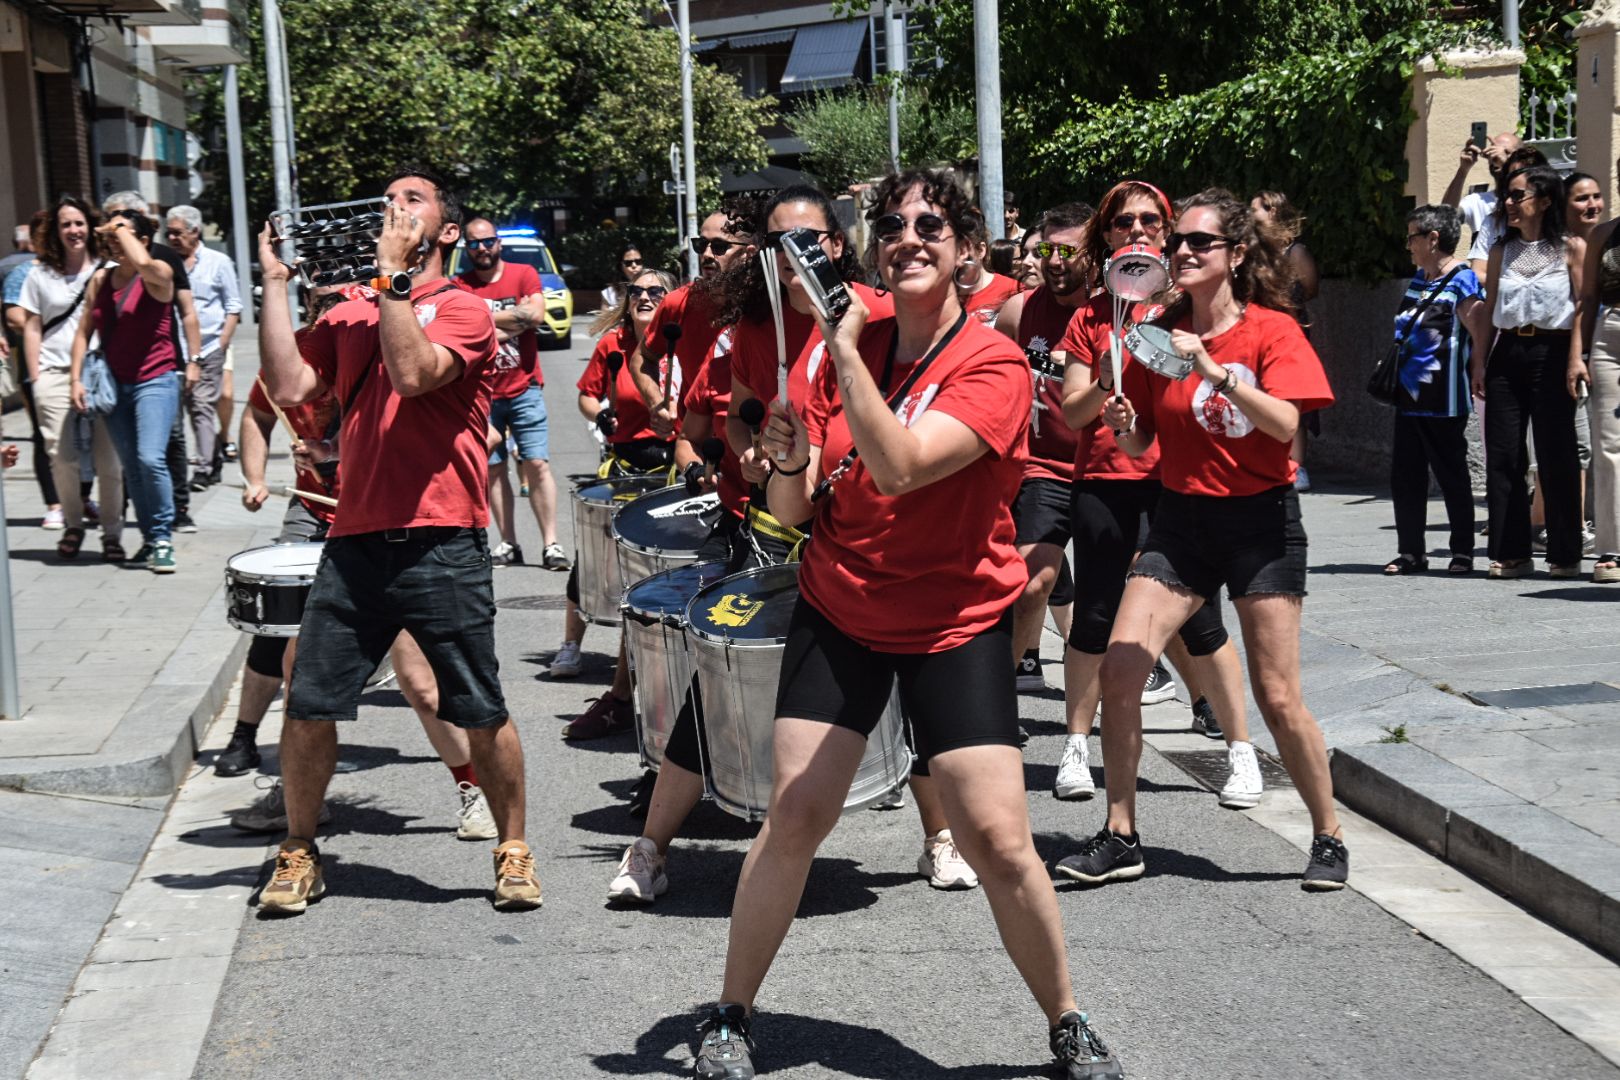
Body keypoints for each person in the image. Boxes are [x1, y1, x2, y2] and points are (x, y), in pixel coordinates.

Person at [691, 168, 1123, 1080]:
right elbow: (796, 511)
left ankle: (1068, 1021)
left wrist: (843, 354)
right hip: (842, 606)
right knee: (796, 813)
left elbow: (900, 468)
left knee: (998, 840)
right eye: (891, 224)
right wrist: (785, 459)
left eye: (932, 224)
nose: (909, 235)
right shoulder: (835, 347)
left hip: (954, 620)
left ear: (967, 252)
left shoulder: (993, 365)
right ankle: (730, 1017)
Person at [254, 162, 540, 915]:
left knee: (478, 705)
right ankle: (299, 850)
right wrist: (277, 284)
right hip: (353, 537)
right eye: (388, 200)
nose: (393, 209)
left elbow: (413, 373)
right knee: (309, 701)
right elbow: (289, 388)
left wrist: (389, 283)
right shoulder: (350, 308)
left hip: (443, 535)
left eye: (412, 201)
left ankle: (512, 846)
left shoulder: (466, 309)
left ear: (446, 229)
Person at [1055, 189, 1345, 893]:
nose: (1180, 251)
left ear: (1236, 255)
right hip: (1182, 520)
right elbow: (1142, 438)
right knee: (1122, 667)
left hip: (1261, 524)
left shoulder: (1271, 332)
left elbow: (1284, 427)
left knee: (1278, 698)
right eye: (1178, 240)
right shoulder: (1156, 333)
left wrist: (1215, 372)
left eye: (1199, 243)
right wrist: (1122, 420)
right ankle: (1121, 834)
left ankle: (1328, 834)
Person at [1055, 181, 1254, 808]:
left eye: (1148, 222)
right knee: (1092, 619)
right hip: (1107, 485)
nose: (1135, 231)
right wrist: (1108, 387)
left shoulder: (1196, 311)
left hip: (1181, 487)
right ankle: (1076, 748)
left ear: (1166, 234)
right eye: (1122, 223)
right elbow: (1073, 411)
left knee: (1203, 622)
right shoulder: (1089, 317)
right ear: (1106, 236)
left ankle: (1241, 753)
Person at [556, 268, 679, 731]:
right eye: (636, 291)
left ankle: (637, 692)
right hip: (628, 469)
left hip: (677, 473)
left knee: (657, 585)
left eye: (655, 291)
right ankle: (576, 646)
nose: (644, 297)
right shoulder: (614, 347)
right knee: (594, 565)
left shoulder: (685, 345)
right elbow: (588, 398)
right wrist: (603, 414)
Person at [994, 203, 1092, 693]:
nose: (1054, 261)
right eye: (1048, 249)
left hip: (1107, 470)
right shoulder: (1019, 311)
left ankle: (1202, 700)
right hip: (1042, 470)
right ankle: (997, 701)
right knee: (1031, 584)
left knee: (1152, 588)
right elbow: (990, 385)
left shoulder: (1117, 311)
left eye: (1067, 251)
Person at [1480, 165, 1585, 579]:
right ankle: (1511, 551)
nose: (1508, 202)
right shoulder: (1500, 250)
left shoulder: (1570, 247)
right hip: (1507, 351)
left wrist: (1576, 358)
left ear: (1543, 201)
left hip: (1554, 350)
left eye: (1517, 195)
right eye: (1507, 195)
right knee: (1504, 453)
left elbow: (1582, 305)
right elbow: (1490, 309)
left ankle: (1564, 552)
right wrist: (1479, 360)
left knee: (1556, 452)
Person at [68, 210, 182, 571]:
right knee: (132, 466)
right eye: (111, 236)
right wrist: (75, 379)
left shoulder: (159, 274)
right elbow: (84, 331)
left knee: (151, 458)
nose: (114, 241)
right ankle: (149, 539)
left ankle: (163, 537)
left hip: (156, 379)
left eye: (123, 234)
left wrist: (117, 225)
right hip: (115, 384)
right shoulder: (100, 279)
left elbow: (146, 265)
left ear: (143, 240)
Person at [454, 217, 568, 570]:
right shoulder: (459, 285)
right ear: (467, 249)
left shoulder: (524, 274)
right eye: (474, 244)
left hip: (524, 387)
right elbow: (461, 330)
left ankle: (551, 544)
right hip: (480, 394)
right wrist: (512, 319)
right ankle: (508, 543)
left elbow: (534, 315)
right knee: (495, 469)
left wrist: (485, 325)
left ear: (498, 242)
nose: (482, 249)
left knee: (536, 463)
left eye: (487, 241)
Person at [1385, 205, 1489, 576]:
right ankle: (1411, 552)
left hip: (1443, 397)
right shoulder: (1420, 279)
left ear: (1433, 239)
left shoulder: (1462, 279)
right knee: (1406, 475)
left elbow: (1479, 331)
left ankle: (1462, 551)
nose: (1408, 243)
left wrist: (1478, 368)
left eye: (1413, 236)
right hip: (1409, 394)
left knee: (1452, 474)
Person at [19, 198, 122, 560]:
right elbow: (32, 328)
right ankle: (74, 525)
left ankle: (112, 533)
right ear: (55, 231)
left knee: (109, 460)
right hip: (54, 375)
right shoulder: (39, 274)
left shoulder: (108, 270)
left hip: (100, 375)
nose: (73, 231)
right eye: (65, 225)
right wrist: (36, 378)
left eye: (78, 223)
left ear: (90, 227)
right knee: (61, 458)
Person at [102, 191, 204, 535]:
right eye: (112, 219)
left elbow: (188, 313)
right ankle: (148, 524)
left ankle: (178, 508)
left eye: (123, 222)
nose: (115, 231)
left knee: (163, 446)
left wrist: (194, 359)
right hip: (117, 374)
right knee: (134, 459)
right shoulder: (105, 270)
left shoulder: (162, 260)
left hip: (162, 368)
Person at [630, 209, 756, 436]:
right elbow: (642, 358)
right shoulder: (678, 302)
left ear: (748, 253)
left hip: (756, 448)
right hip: (695, 448)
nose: (706, 254)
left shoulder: (766, 306)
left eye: (718, 246)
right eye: (701, 245)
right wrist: (657, 403)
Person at [164, 206, 242, 490]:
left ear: (195, 232)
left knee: (201, 407)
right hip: (174, 350)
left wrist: (222, 343)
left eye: (178, 233)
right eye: (168, 233)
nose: (172, 238)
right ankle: (210, 458)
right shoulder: (164, 263)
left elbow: (233, 306)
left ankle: (204, 466)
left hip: (209, 348)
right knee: (176, 411)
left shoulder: (218, 262)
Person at [1250, 191, 1320, 490]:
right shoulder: (1251, 253)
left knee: (1293, 400)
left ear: (1273, 211)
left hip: (1290, 332)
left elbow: (1310, 289)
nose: (1249, 214)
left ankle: (1297, 466)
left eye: (1255, 209)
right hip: (1256, 334)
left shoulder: (1295, 253)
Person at [1571, 171, 1620, 584]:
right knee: (1608, 443)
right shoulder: (1604, 234)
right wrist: (1577, 354)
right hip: (1610, 337)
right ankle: (1612, 549)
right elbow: (1587, 297)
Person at [1441, 131, 1522, 271]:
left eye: (1506, 152)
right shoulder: (1478, 201)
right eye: (1493, 151)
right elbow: (1445, 216)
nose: (1497, 157)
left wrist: (1508, 164)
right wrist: (1463, 169)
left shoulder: (1531, 200)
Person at [597, 239, 645, 311]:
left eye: (638, 261)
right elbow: (604, 320)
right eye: (628, 263)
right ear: (620, 266)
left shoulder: (654, 289)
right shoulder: (610, 294)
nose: (634, 265)